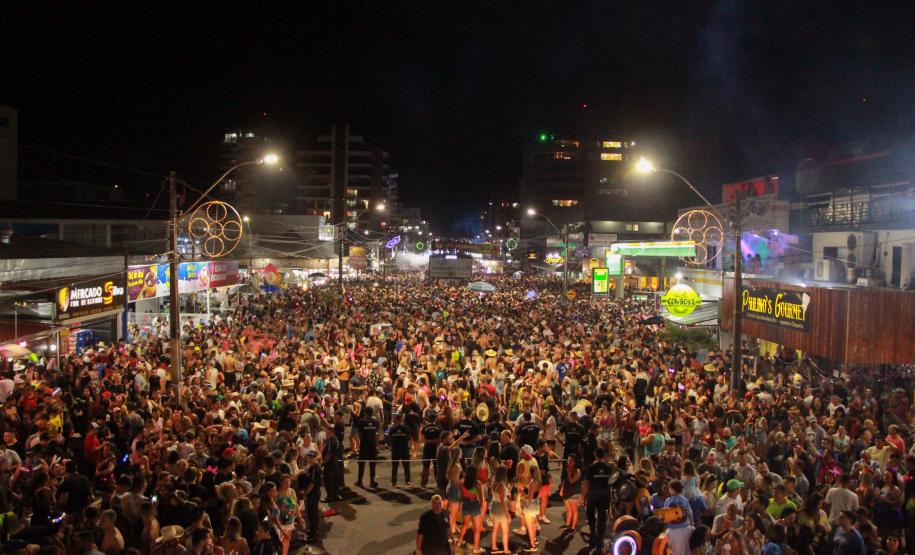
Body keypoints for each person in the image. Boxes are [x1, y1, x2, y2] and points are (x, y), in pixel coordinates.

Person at [582, 447, 612, 549]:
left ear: (595, 455)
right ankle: (600, 540)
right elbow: (611, 482)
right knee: (602, 517)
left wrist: (582, 497)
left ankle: (593, 536)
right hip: (604, 496)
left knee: (591, 516)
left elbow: (586, 483)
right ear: (604, 455)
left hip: (592, 496)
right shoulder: (608, 468)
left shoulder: (591, 468)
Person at [356, 406, 380, 488]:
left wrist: (361, 440)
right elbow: (377, 434)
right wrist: (377, 445)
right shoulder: (375, 422)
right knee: (372, 464)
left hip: (364, 445)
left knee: (361, 464)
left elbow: (359, 432)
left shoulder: (361, 421)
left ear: (365, 413)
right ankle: (372, 482)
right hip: (372, 445)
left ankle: (360, 481)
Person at [490, 466, 511, 554]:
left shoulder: (494, 482)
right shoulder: (501, 486)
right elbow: (503, 501)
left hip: (495, 506)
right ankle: (506, 549)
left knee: (495, 528)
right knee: (505, 530)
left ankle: (494, 546)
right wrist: (507, 514)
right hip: (500, 508)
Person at [390, 411, 413, 487]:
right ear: (401, 420)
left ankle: (394, 482)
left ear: (396, 420)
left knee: (395, 466)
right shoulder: (406, 428)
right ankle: (407, 481)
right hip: (404, 450)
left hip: (396, 450)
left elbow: (389, 438)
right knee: (406, 466)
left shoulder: (392, 428)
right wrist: (410, 448)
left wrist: (390, 447)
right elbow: (410, 439)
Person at [560, 454, 582, 533]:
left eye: (571, 461)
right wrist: (562, 489)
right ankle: (567, 524)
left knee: (574, 510)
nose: (569, 462)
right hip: (566, 491)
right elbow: (565, 480)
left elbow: (572, 481)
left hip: (574, 493)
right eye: (568, 460)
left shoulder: (577, 471)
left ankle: (573, 527)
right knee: (569, 509)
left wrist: (569, 473)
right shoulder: (567, 469)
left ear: (575, 462)